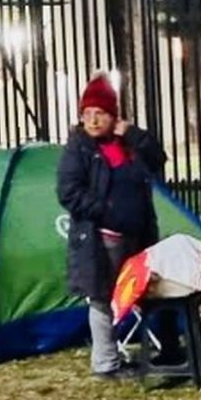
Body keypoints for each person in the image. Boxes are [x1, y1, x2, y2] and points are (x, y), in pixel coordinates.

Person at [57, 73, 167, 379]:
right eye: (87, 114)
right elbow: (68, 191)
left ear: (113, 116)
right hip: (101, 238)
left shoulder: (126, 144)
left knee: (146, 290)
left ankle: (160, 349)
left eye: (100, 114)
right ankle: (105, 362)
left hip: (138, 233)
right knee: (102, 297)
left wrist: (133, 134)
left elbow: (158, 159)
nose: (92, 120)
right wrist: (105, 211)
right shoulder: (78, 149)